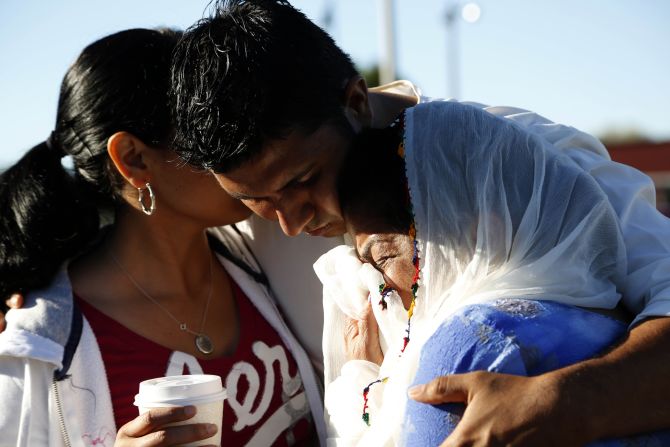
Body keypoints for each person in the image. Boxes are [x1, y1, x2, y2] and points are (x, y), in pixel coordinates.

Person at [169, 1, 670, 445]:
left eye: (303, 179)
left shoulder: (520, 165)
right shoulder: (249, 234)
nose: (290, 223)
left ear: (356, 103)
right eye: (254, 198)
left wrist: (565, 402)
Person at [0, 28, 325, 446]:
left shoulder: (272, 243)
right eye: (213, 127)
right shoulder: (38, 348)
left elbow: (351, 117)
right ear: (134, 159)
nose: (245, 142)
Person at [314, 102, 670, 445]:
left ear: (475, 233)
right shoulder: (615, 315)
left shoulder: (466, 350)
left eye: (383, 258)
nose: (377, 289)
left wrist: (359, 373)